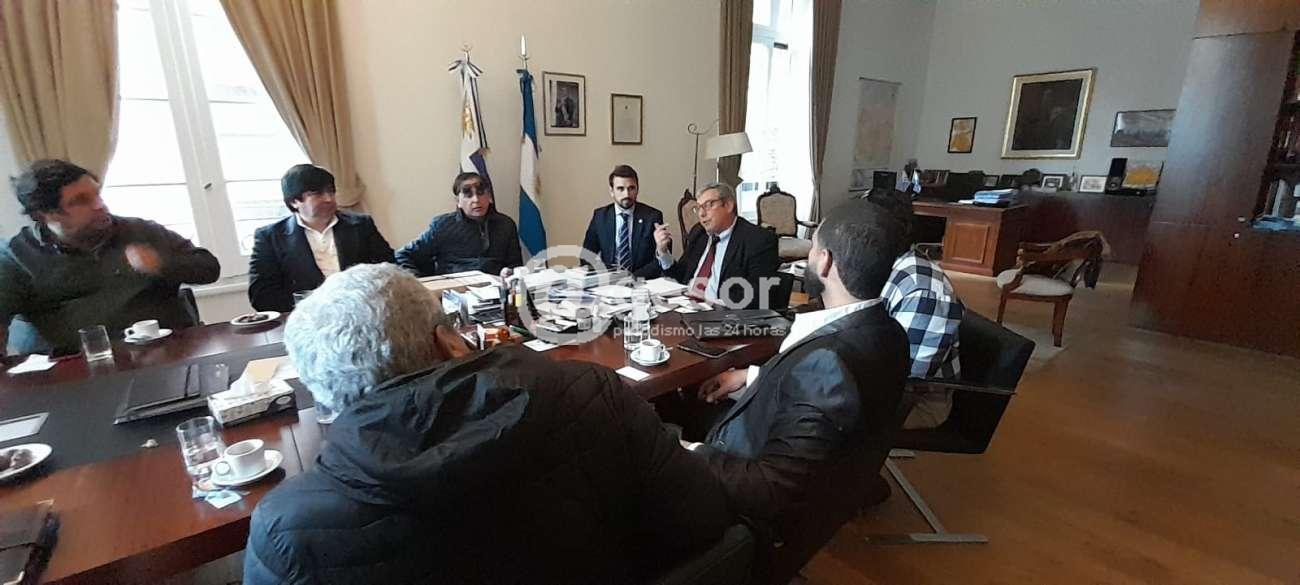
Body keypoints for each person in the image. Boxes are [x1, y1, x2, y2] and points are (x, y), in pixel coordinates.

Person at [243, 263, 734, 584]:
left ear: (323, 393)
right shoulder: (592, 393)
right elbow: (702, 519)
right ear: (450, 342)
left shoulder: (286, 529)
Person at [683, 201, 910, 524]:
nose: (808, 257)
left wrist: (688, 452)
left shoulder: (826, 363)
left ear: (825, 261)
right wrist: (752, 375)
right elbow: (822, 398)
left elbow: (770, 487)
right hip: (821, 470)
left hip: (745, 498)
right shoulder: (892, 332)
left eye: (813, 247)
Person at [0, 159, 220, 355]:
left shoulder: (142, 231)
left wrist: (162, 264)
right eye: (81, 200)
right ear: (46, 214)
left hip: (166, 353)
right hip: (70, 370)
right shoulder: (16, 256)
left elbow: (209, 268)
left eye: (97, 194)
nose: (99, 205)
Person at [866, 189, 964, 429]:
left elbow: (907, 377)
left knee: (812, 415)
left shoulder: (923, 289)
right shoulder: (879, 266)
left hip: (917, 402)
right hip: (875, 379)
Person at [247, 164, 393, 312]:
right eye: (317, 194)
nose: (328, 199)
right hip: (305, 318)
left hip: (363, 311)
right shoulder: (270, 238)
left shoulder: (361, 225)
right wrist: (316, 304)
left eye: (331, 191)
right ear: (294, 201)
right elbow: (261, 296)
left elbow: (389, 269)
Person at [652, 182, 779, 309]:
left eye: (708, 205)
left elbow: (758, 296)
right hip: (686, 305)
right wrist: (663, 251)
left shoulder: (758, 240)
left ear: (728, 205)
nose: (701, 214)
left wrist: (712, 304)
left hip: (721, 312)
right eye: (698, 208)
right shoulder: (699, 232)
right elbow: (681, 275)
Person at [395, 172, 523, 277]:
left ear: (489, 196)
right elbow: (403, 254)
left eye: (480, 192)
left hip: (496, 290)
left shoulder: (506, 224)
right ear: (458, 201)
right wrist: (418, 284)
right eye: (468, 195)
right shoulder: (442, 226)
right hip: (454, 291)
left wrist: (510, 273)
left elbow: (515, 265)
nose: (476, 200)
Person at [581, 164, 664, 277]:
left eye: (631, 188)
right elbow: (586, 256)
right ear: (611, 191)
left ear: (637, 189)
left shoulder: (652, 217)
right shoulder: (600, 217)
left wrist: (631, 278)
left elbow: (660, 260)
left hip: (642, 281)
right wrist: (603, 276)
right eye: (620, 189)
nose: (627, 194)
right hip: (608, 281)